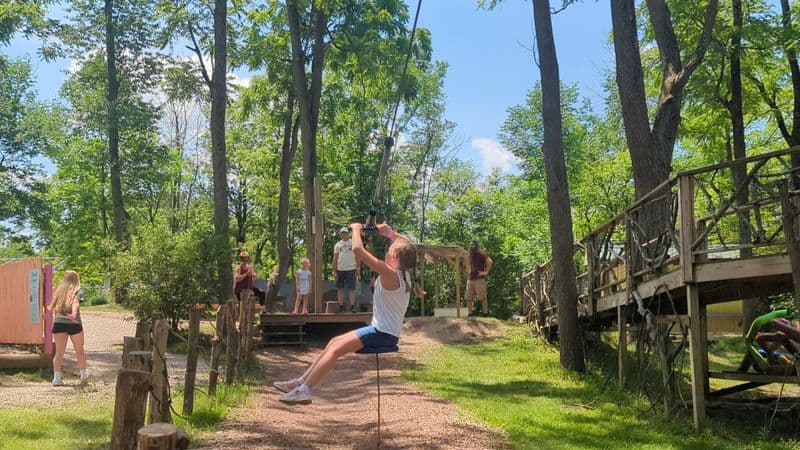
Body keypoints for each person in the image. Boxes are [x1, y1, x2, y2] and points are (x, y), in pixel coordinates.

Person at [273, 222, 417, 405]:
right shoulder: (405, 273)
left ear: (395, 257)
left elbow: (357, 249)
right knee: (333, 342)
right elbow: (407, 245)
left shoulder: (390, 273)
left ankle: (305, 391)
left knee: (335, 350)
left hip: (382, 333)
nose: (388, 249)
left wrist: (356, 228)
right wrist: (388, 232)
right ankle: (300, 382)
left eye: (390, 249)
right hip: (385, 332)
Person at [48, 270, 90, 386]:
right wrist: (73, 314)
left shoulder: (58, 291)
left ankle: (57, 379)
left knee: (59, 353)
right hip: (74, 324)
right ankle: (83, 376)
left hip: (59, 323)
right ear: (77, 279)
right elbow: (76, 302)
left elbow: (50, 307)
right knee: (79, 350)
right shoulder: (78, 290)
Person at [333, 226, 359, 313]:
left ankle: (352, 306)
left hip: (351, 268)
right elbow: (335, 258)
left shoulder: (353, 243)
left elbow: (358, 256)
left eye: (345, 233)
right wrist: (334, 270)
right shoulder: (338, 244)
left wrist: (358, 267)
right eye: (342, 233)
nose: (343, 234)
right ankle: (341, 306)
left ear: (348, 234)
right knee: (340, 288)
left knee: (352, 288)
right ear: (341, 234)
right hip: (340, 269)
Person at [465, 240, 493, 316]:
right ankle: (470, 314)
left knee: (482, 297)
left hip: (479, 279)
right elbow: (467, 264)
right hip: (470, 279)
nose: (471, 246)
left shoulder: (481, 254)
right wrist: (468, 272)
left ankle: (485, 314)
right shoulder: (469, 255)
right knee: (468, 298)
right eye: (470, 245)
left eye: (473, 245)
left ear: (476, 245)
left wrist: (486, 272)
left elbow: (490, 261)